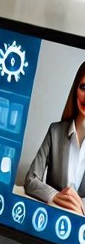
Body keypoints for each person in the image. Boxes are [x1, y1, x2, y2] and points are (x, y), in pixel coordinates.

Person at [25, 61, 85, 215]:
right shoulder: (55, 131)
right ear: (75, 90)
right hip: (50, 216)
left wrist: (80, 205)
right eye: (83, 87)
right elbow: (32, 179)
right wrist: (54, 196)